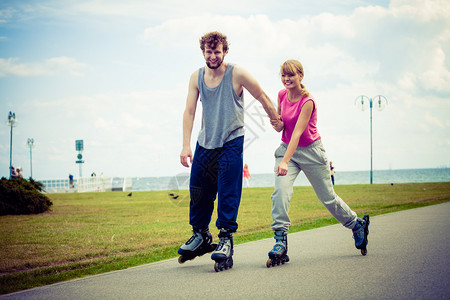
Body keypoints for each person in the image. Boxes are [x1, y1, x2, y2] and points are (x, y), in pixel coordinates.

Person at [178, 31, 282, 271]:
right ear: (203, 52)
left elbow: (262, 96)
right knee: (198, 192)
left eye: (217, 51)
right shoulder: (196, 77)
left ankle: (225, 238)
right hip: (205, 143)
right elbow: (190, 111)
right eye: (208, 51)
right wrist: (185, 144)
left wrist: (275, 119)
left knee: (227, 191)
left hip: (231, 141)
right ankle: (201, 236)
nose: (213, 55)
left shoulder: (237, 73)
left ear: (225, 51)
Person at [266, 59, 370, 266]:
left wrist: (285, 161)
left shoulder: (308, 101)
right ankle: (280, 240)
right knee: (281, 192)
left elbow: (297, 133)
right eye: (284, 75)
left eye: (291, 75)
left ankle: (356, 224)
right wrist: (276, 123)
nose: (287, 79)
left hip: (311, 152)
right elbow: (283, 129)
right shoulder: (281, 95)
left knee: (328, 198)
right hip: (287, 150)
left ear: (300, 76)